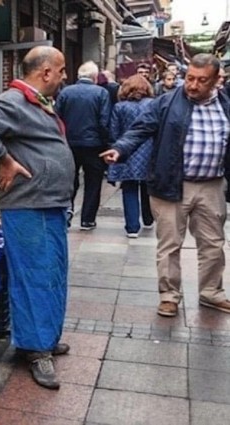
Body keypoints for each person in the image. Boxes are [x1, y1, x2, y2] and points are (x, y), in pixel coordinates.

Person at [0, 46, 73, 390]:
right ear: (45, 72)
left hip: (47, 203)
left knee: (52, 272)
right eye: (60, 70)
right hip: (29, 205)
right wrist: (5, 160)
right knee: (35, 276)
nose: (63, 76)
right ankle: (35, 349)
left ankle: (43, 337)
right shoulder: (13, 101)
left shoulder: (36, 102)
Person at [101, 53, 230, 317]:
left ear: (217, 80)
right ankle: (169, 296)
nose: (192, 85)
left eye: (201, 80)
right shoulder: (166, 102)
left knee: (213, 244)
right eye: (190, 78)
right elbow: (139, 129)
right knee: (170, 244)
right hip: (171, 182)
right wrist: (120, 149)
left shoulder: (226, 104)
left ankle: (211, 292)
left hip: (212, 184)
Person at [55, 61, 111, 230]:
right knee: (93, 182)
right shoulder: (101, 93)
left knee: (69, 180)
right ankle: (87, 219)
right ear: (95, 77)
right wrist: (107, 143)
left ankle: (66, 213)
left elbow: (56, 118)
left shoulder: (65, 92)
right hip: (94, 145)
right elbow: (104, 121)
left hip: (69, 144)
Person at [106, 75, 155, 238]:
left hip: (127, 152)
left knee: (129, 188)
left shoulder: (120, 107)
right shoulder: (152, 105)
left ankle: (132, 227)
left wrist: (116, 148)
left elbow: (114, 131)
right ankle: (149, 219)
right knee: (147, 187)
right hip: (148, 151)